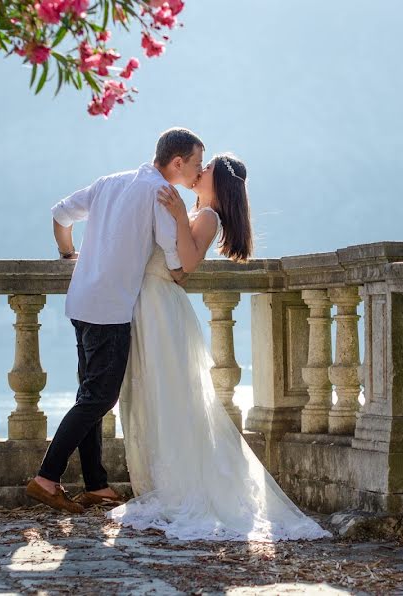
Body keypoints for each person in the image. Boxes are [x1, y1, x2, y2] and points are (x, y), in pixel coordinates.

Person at [108, 153, 331, 542]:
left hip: (161, 306)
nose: (198, 173)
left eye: (205, 169)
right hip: (152, 303)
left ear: (218, 182)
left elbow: (186, 266)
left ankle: (180, 488)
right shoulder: (197, 211)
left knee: (169, 395)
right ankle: (163, 482)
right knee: (155, 394)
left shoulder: (206, 216)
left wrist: (178, 215)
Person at [25, 128, 204, 513]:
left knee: (88, 394)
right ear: (177, 163)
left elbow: (59, 215)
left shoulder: (111, 182)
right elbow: (176, 263)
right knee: (100, 397)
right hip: (111, 308)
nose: (198, 173)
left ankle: (96, 484)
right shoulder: (160, 194)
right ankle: (46, 478)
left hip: (82, 301)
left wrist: (68, 254)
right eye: (195, 165)